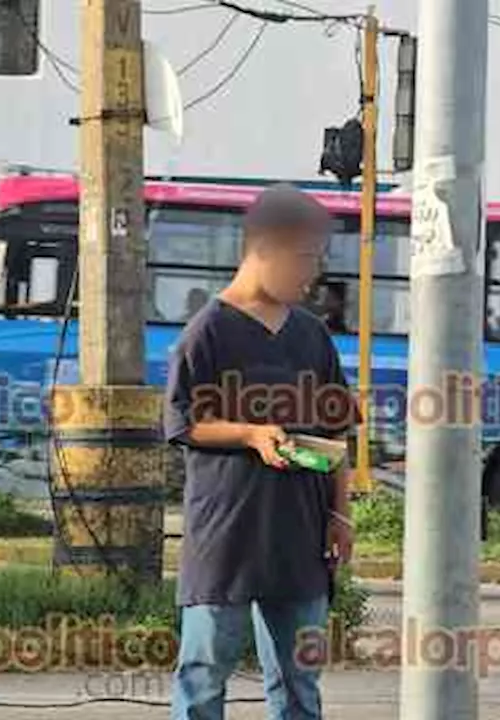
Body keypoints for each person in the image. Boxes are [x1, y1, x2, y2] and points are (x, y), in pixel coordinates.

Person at [163, 184, 356, 720]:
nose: (310, 275)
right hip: (227, 535)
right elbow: (183, 422)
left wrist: (341, 513)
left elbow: (339, 433)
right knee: (203, 678)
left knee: (300, 685)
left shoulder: (313, 336)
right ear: (264, 252)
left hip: (301, 536)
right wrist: (250, 434)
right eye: (302, 261)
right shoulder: (207, 333)